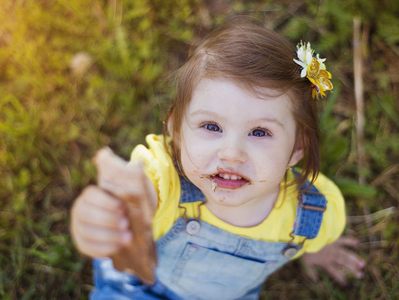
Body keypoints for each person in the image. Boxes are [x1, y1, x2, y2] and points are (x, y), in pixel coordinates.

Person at [70, 17, 365, 299]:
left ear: (297, 149)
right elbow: (143, 190)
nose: (232, 153)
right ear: (176, 130)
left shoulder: (313, 212)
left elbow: (322, 232)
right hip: (135, 287)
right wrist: (113, 211)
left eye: (260, 132)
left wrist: (316, 249)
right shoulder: (167, 183)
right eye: (212, 127)